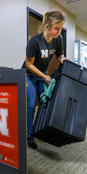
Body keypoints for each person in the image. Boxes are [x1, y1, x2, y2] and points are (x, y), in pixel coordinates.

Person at [23, 11, 66, 149]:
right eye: (56, 28)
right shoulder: (34, 41)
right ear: (47, 25)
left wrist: (62, 59)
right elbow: (29, 65)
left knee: (45, 101)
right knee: (31, 105)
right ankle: (29, 136)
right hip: (28, 75)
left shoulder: (58, 39)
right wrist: (44, 76)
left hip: (43, 75)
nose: (59, 32)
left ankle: (41, 130)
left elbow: (59, 55)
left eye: (60, 28)